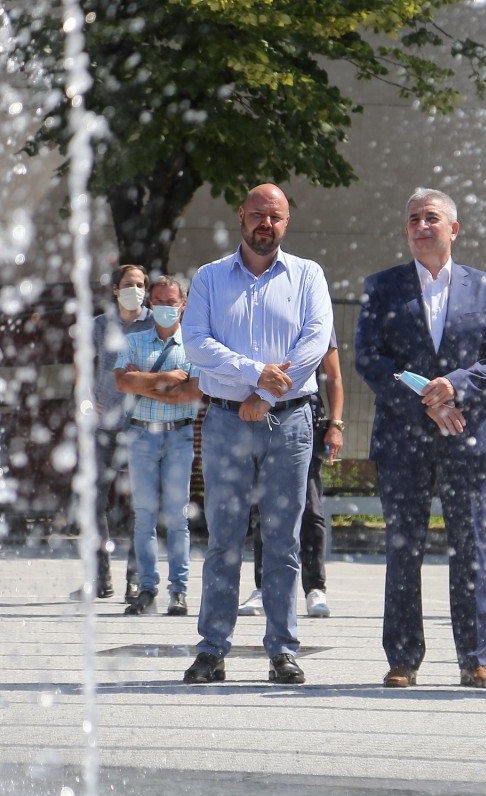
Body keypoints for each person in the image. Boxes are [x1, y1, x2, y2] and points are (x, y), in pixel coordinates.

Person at [354, 188, 486, 689]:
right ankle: (403, 659)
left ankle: (474, 659)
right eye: (413, 219)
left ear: (454, 229)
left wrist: (456, 385)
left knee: (469, 547)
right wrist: (426, 398)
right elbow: (369, 358)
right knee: (403, 549)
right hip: (402, 437)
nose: (421, 226)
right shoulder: (382, 286)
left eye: (431, 218)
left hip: (465, 436)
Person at [180, 183, 333, 685]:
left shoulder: (308, 275)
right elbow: (196, 343)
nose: (266, 224)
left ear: (287, 223)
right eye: (258, 215)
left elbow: (314, 343)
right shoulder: (209, 277)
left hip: (289, 422)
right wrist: (254, 372)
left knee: (283, 540)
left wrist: (264, 395)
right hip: (226, 421)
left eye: (276, 216)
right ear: (241, 216)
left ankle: (283, 650)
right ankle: (211, 649)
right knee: (223, 540)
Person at [115, 275, 202, 616]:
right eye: (160, 301)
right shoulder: (133, 340)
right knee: (144, 516)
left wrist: (143, 383)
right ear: (151, 304)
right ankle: (147, 588)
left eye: (171, 302)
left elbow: (192, 392)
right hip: (141, 436)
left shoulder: (194, 345)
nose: (165, 307)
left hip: (179, 435)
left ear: (183, 305)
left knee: (178, 517)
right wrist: (166, 379)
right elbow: (122, 383)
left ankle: (178, 590)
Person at [239, 339, 344, 619]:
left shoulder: (317, 316)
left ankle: (315, 588)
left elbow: (333, 376)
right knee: (262, 508)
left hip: (302, 416)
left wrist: (336, 424)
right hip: (258, 415)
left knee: (309, 507)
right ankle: (263, 587)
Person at [68, 264, 154, 603]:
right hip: (103, 428)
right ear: (116, 289)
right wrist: (85, 399)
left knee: (140, 507)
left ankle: (136, 580)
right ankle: (99, 578)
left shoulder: (155, 323)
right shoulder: (99, 325)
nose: (137, 290)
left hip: (143, 427)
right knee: (92, 502)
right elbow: (81, 361)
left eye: (141, 284)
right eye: (130, 284)